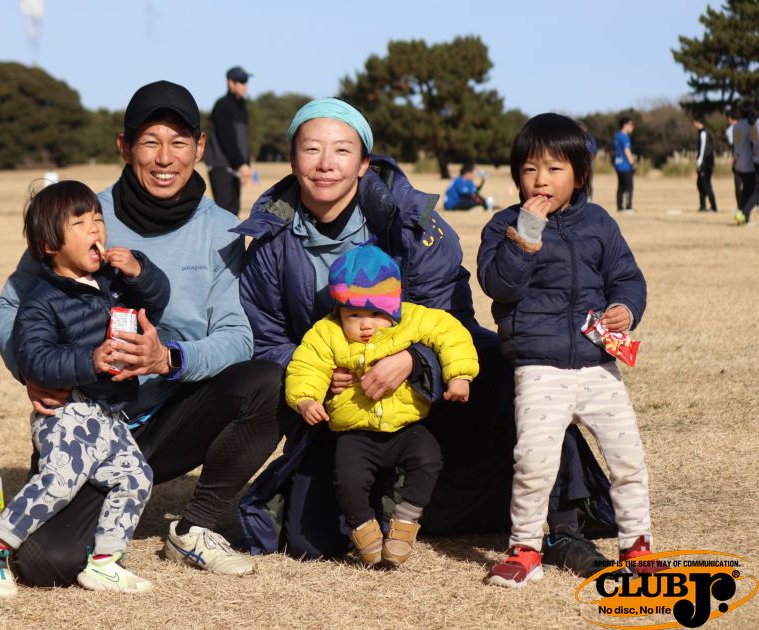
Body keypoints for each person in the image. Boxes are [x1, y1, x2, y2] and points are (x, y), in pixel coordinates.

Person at [234, 98, 616, 577]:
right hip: (346, 409)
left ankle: (563, 521)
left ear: (364, 163)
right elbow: (266, 338)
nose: (326, 163)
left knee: (517, 369)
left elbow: (453, 318)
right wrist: (322, 375)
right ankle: (421, 503)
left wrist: (415, 360)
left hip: (425, 392)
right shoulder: (270, 244)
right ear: (293, 160)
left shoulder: (411, 222)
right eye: (312, 149)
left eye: (342, 151)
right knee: (312, 539)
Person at [0, 80, 282, 586]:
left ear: (200, 147)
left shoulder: (221, 228)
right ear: (124, 147)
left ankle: (195, 528)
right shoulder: (80, 218)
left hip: (172, 416)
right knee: (45, 563)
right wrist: (31, 371)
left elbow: (237, 335)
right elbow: (10, 306)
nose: (165, 158)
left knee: (269, 380)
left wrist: (168, 358)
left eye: (179, 142)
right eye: (150, 141)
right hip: (86, 421)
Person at [478, 113, 657, 588]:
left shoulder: (599, 222)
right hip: (539, 368)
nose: (541, 180)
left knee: (628, 459)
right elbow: (500, 285)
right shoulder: (503, 226)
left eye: (555, 169)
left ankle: (637, 545)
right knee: (534, 464)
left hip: (599, 364)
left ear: (579, 175)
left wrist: (624, 309)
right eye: (530, 169)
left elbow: (627, 277)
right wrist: (526, 234)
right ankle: (524, 549)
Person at [0, 180, 170, 598]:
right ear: (49, 245)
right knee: (60, 479)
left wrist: (141, 271)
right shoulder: (41, 300)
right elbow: (35, 359)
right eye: (79, 224)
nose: (95, 229)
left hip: (111, 414)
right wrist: (88, 360)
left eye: (98, 219)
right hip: (68, 413)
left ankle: (105, 563)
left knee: (136, 478)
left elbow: (155, 301)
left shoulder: (114, 280)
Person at [285, 243, 479, 566]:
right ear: (339, 311)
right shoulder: (326, 333)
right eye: (355, 315)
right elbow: (307, 365)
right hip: (355, 433)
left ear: (394, 308)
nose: (366, 325)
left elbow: (451, 334)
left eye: (377, 314)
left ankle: (406, 520)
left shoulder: (413, 319)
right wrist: (306, 399)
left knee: (429, 458)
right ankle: (364, 529)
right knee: (347, 481)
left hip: (406, 427)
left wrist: (459, 376)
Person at [205, 66, 253, 215]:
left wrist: (246, 164)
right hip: (221, 165)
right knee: (224, 212)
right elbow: (226, 138)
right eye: (241, 82)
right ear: (231, 83)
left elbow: (243, 140)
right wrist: (241, 164)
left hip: (236, 166)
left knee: (234, 211)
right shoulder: (222, 106)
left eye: (246, 82)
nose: (245, 86)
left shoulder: (242, 108)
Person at [733, 105, 756, 225]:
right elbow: (753, 142)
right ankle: (744, 215)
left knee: (746, 190)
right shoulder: (749, 126)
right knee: (751, 190)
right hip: (748, 162)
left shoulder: (735, 126)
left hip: (738, 162)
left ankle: (741, 213)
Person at [693, 116, 717, 212]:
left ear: (699, 122)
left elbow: (703, 149)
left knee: (706, 184)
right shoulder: (702, 132)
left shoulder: (703, 133)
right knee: (700, 184)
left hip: (706, 163)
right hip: (705, 162)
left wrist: (699, 162)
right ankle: (703, 206)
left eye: (695, 122)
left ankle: (714, 206)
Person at [612, 117, 636, 212]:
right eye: (631, 125)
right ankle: (628, 207)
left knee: (621, 186)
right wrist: (632, 163)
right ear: (625, 125)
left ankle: (620, 207)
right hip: (625, 165)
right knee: (629, 186)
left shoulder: (616, 136)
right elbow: (627, 150)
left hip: (618, 164)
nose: (632, 127)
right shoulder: (625, 137)